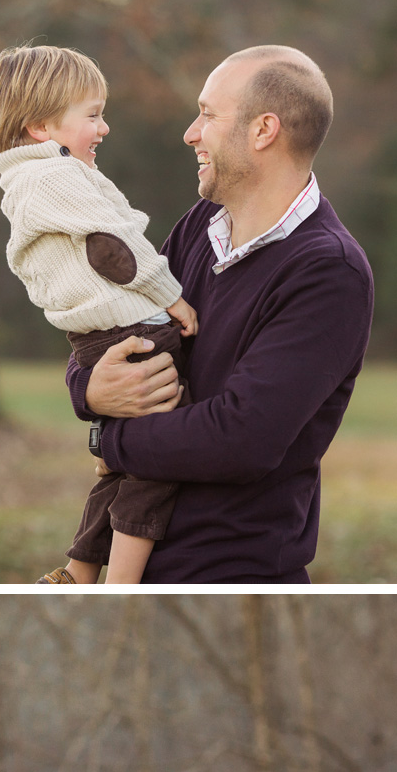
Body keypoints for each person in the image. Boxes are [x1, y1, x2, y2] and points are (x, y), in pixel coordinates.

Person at [66, 45, 375, 584]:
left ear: (264, 130)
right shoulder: (199, 225)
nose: (190, 133)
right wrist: (89, 391)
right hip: (129, 562)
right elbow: (121, 326)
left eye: (208, 114)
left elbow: (241, 439)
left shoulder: (329, 271)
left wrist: (107, 440)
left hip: (228, 581)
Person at [0, 45, 198, 585]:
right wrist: (171, 295)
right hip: (134, 333)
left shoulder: (29, 181)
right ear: (40, 127)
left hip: (97, 341)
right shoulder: (55, 179)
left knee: (122, 466)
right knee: (162, 458)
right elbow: (115, 246)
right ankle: (119, 585)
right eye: (93, 115)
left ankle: (78, 571)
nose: (104, 128)